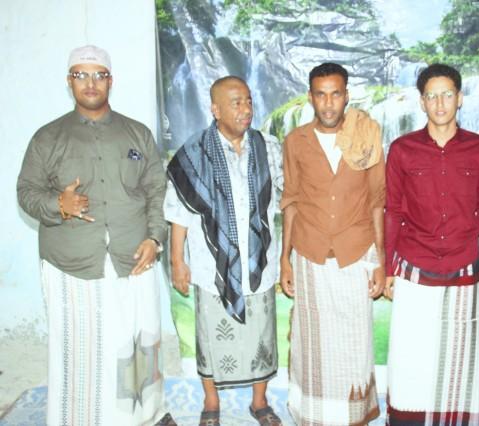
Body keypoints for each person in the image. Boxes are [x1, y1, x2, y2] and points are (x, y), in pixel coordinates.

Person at [16, 45, 173, 425]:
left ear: (110, 81)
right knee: (82, 351)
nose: (91, 83)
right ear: (69, 81)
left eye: (99, 75)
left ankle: (145, 415)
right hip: (73, 264)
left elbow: (157, 189)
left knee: (139, 342)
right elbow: (26, 192)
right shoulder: (48, 137)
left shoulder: (136, 133)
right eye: (81, 75)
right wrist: (58, 203)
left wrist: (154, 239)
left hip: (134, 257)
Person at [384, 63, 479, 425]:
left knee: (458, 362)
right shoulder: (402, 150)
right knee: (410, 357)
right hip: (413, 268)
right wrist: (387, 268)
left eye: (447, 94)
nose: (439, 103)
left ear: (459, 98)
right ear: (422, 102)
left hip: (463, 268)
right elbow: (393, 212)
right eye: (431, 96)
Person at [165, 76, 282, 426]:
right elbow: (179, 213)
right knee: (210, 336)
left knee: (262, 336)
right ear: (215, 109)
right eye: (236, 103)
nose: (245, 109)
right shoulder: (192, 153)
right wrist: (177, 261)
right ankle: (211, 402)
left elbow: (285, 199)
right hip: (210, 264)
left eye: (248, 101)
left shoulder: (268, 147)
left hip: (259, 262)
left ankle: (259, 402)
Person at [280, 62, 385, 425]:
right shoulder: (296, 142)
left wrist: (381, 261)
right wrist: (284, 259)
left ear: (346, 95)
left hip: (355, 253)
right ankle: (314, 416)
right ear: (310, 97)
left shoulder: (366, 136)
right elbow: (291, 200)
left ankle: (353, 416)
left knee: (354, 345)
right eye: (321, 95)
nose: (328, 103)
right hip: (309, 256)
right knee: (312, 347)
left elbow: (377, 201)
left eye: (335, 94)